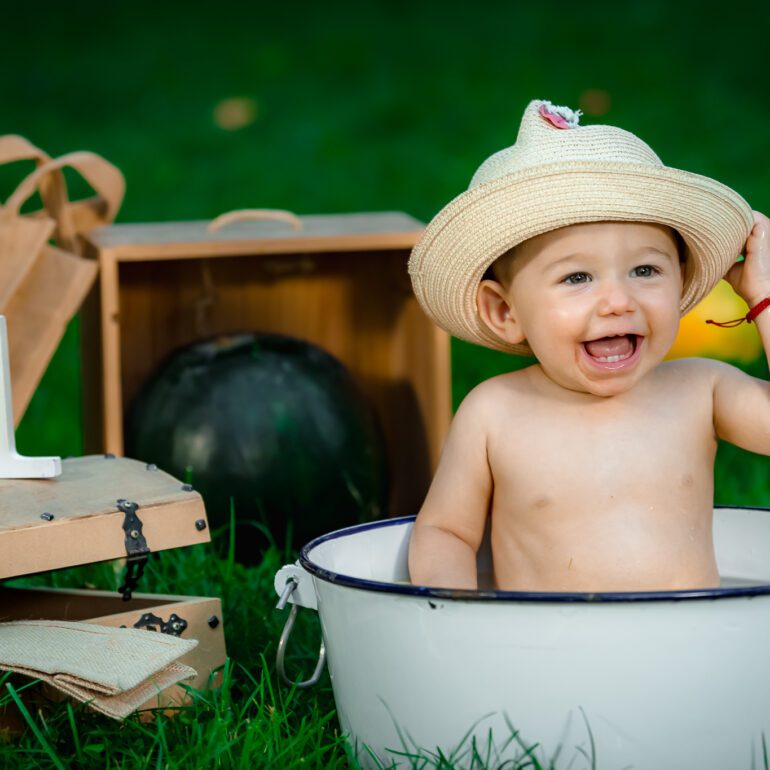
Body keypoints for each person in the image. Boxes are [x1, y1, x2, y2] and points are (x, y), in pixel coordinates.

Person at [407, 99, 770, 592]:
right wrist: (456, 610)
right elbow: (446, 531)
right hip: (547, 638)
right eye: (577, 277)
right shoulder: (494, 412)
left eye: (645, 270)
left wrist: (763, 297)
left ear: (681, 281)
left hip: (689, 634)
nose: (618, 301)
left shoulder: (701, 390)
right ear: (505, 312)